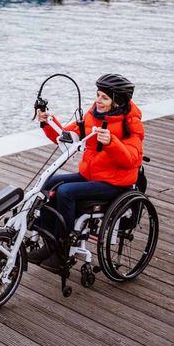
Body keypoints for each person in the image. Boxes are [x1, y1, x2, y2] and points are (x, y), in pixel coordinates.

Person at [29, 74, 145, 271]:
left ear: (117, 102)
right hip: (92, 176)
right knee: (49, 183)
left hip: (115, 183)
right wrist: (48, 121)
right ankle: (49, 244)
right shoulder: (93, 116)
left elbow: (133, 159)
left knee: (66, 192)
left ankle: (62, 251)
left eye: (104, 98)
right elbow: (66, 137)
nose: (98, 100)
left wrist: (112, 143)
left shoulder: (130, 124)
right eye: (98, 95)